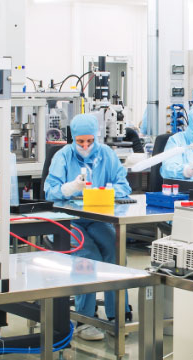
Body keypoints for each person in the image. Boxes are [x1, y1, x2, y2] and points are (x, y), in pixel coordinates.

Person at [44, 113, 132, 341]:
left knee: (115, 247)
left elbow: (124, 186)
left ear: (96, 138)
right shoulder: (62, 156)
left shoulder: (107, 155)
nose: (85, 146)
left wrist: (106, 191)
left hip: (96, 217)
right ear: (73, 139)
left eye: (89, 141)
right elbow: (49, 191)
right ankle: (84, 318)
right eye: (80, 141)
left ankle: (118, 313)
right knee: (88, 254)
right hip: (67, 219)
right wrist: (69, 188)